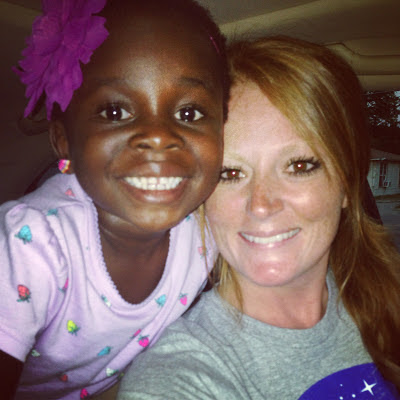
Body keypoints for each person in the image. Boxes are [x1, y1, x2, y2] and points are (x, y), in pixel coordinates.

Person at [117, 36, 400, 399]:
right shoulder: (181, 375)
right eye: (230, 173)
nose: (261, 205)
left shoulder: (384, 293)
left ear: (346, 184)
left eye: (299, 166)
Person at [0, 0, 230, 398]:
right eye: (114, 111)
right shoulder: (28, 246)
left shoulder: (210, 230)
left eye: (190, 113)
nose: (157, 136)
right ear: (64, 141)